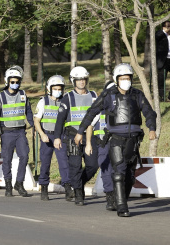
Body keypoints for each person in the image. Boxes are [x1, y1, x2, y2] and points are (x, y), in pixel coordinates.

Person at [74, 63, 157, 217]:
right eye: (123, 78)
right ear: (116, 80)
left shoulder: (137, 95)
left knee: (130, 176)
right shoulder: (108, 95)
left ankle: (122, 198)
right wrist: (80, 132)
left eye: (128, 78)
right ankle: (121, 207)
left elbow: (149, 112)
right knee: (119, 172)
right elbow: (91, 112)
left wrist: (152, 127)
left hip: (134, 139)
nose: (126, 81)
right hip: (116, 139)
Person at [53, 66, 99, 206]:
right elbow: (60, 119)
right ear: (73, 81)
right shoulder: (67, 97)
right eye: (78, 80)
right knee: (75, 166)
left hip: (90, 136)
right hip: (73, 137)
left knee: (93, 165)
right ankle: (79, 193)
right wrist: (57, 137)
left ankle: (79, 183)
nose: (81, 82)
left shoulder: (93, 96)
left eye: (84, 79)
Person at [0, 66, 34, 197]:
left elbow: (28, 112)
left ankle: (19, 183)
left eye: (17, 82)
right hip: (7, 132)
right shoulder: (1, 96)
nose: (15, 84)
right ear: (7, 81)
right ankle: (8, 185)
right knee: (7, 160)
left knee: (25, 156)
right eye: (12, 82)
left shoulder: (23, 95)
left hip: (20, 132)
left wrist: (33, 126)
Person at [34, 75, 73, 201]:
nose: (58, 91)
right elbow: (36, 120)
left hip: (61, 136)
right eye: (55, 88)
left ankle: (67, 188)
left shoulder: (65, 101)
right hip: (47, 135)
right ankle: (44, 187)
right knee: (45, 163)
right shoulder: (43, 101)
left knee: (64, 162)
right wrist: (42, 134)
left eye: (60, 88)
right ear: (49, 89)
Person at [87, 81, 116, 211]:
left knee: (120, 170)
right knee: (106, 170)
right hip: (103, 145)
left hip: (119, 144)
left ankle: (119, 195)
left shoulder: (123, 107)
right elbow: (90, 126)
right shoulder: (100, 109)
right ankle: (110, 196)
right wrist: (88, 143)